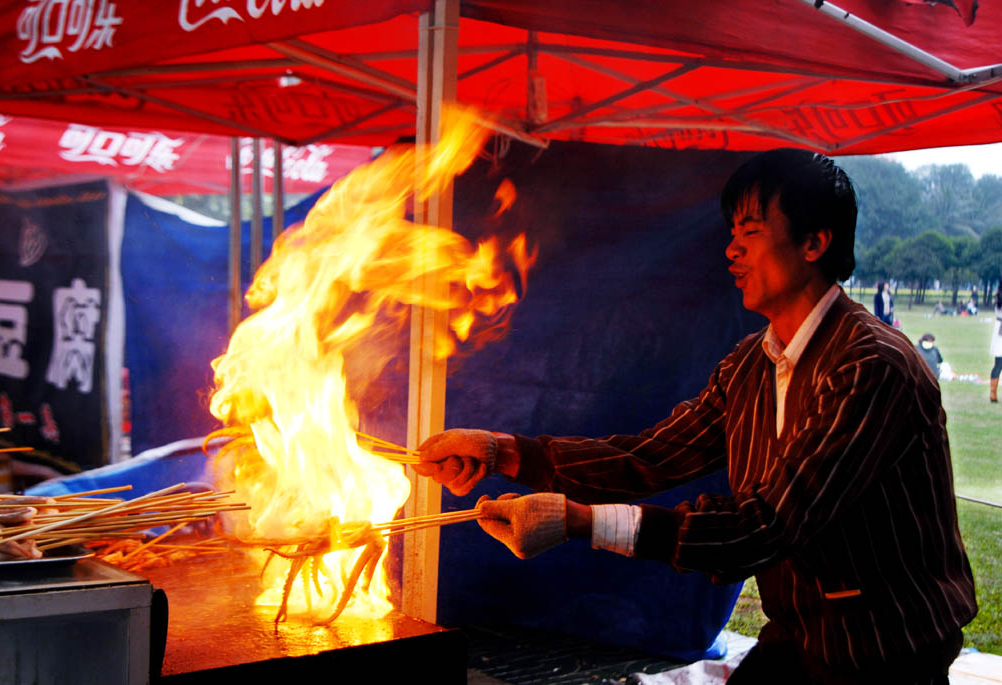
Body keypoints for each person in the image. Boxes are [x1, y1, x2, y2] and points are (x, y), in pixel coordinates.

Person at [416, 149, 977, 684]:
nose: (731, 251)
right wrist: (502, 451)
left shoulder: (871, 367)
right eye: (731, 234)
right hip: (799, 634)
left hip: (885, 649)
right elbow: (648, 458)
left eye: (751, 233)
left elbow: (762, 528)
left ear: (814, 242)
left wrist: (579, 522)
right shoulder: (751, 366)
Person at [990, 289, 1002, 403]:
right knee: (999, 364)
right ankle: (993, 393)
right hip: (1000, 333)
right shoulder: (999, 297)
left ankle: (993, 393)